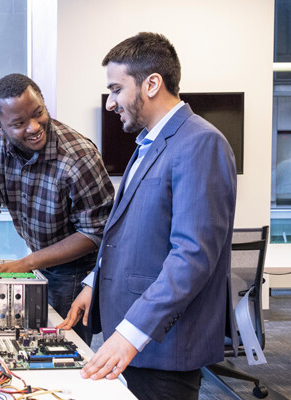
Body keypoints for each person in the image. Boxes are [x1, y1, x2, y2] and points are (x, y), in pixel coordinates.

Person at [57, 32, 237, 400]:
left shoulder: (201, 142)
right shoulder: (148, 142)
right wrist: (95, 281)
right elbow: (130, 230)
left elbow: (193, 256)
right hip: (130, 336)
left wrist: (132, 332)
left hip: (160, 344)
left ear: (152, 84)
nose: (110, 103)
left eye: (116, 89)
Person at [0, 73, 114, 345]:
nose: (34, 127)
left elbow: (96, 233)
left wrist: (27, 263)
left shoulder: (80, 156)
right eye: (20, 123)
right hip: (39, 259)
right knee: (31, 338)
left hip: (77, 268)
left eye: (39, 113)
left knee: (63, 343)